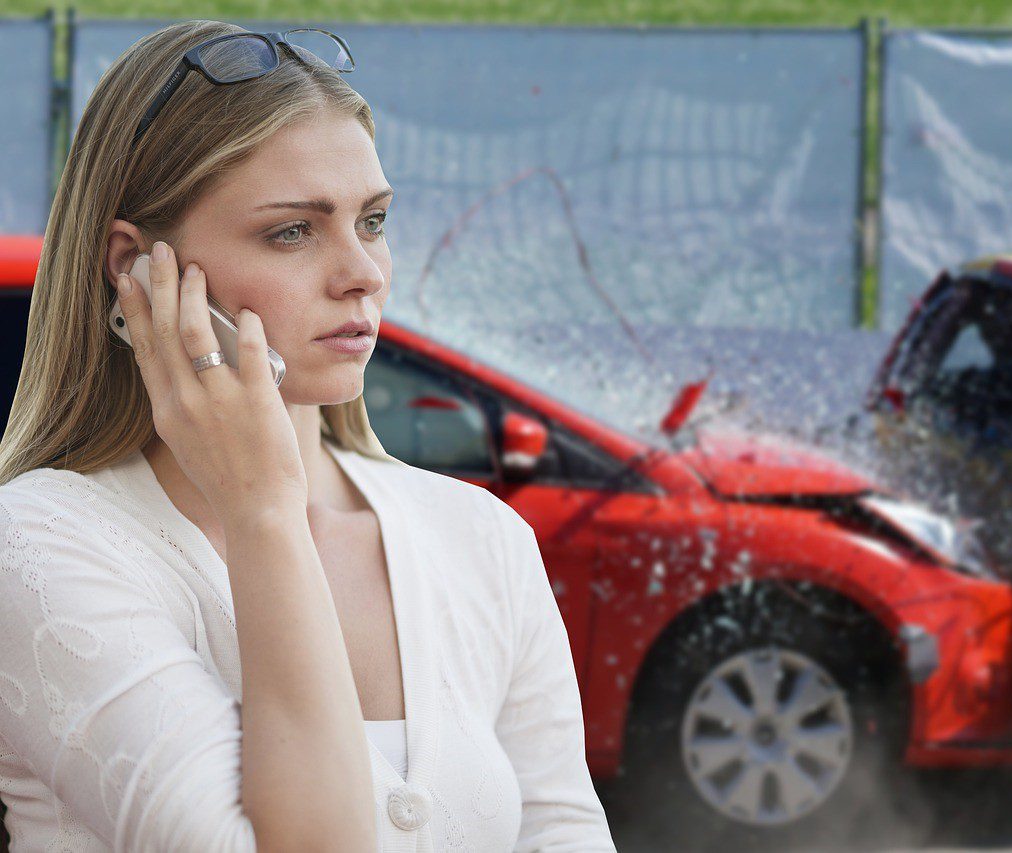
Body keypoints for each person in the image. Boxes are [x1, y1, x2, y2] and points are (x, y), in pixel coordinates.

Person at [0, 19, 615, 852]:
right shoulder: (42, 544)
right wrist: (264, 514)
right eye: (293, 230)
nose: (362, 271)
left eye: (374, 219)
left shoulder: (483, 540)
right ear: (133, 266)